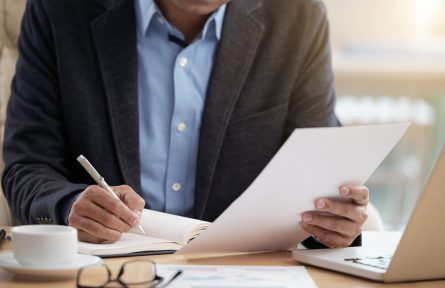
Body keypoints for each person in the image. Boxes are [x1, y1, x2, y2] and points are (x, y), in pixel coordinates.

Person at [2, 0, 368, 248]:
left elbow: (320, 175)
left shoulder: (297, 16)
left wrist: (335, 221)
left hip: (243, 271)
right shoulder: (61, 9)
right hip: (106, 269)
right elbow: (26, 167)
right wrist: (69, 205)